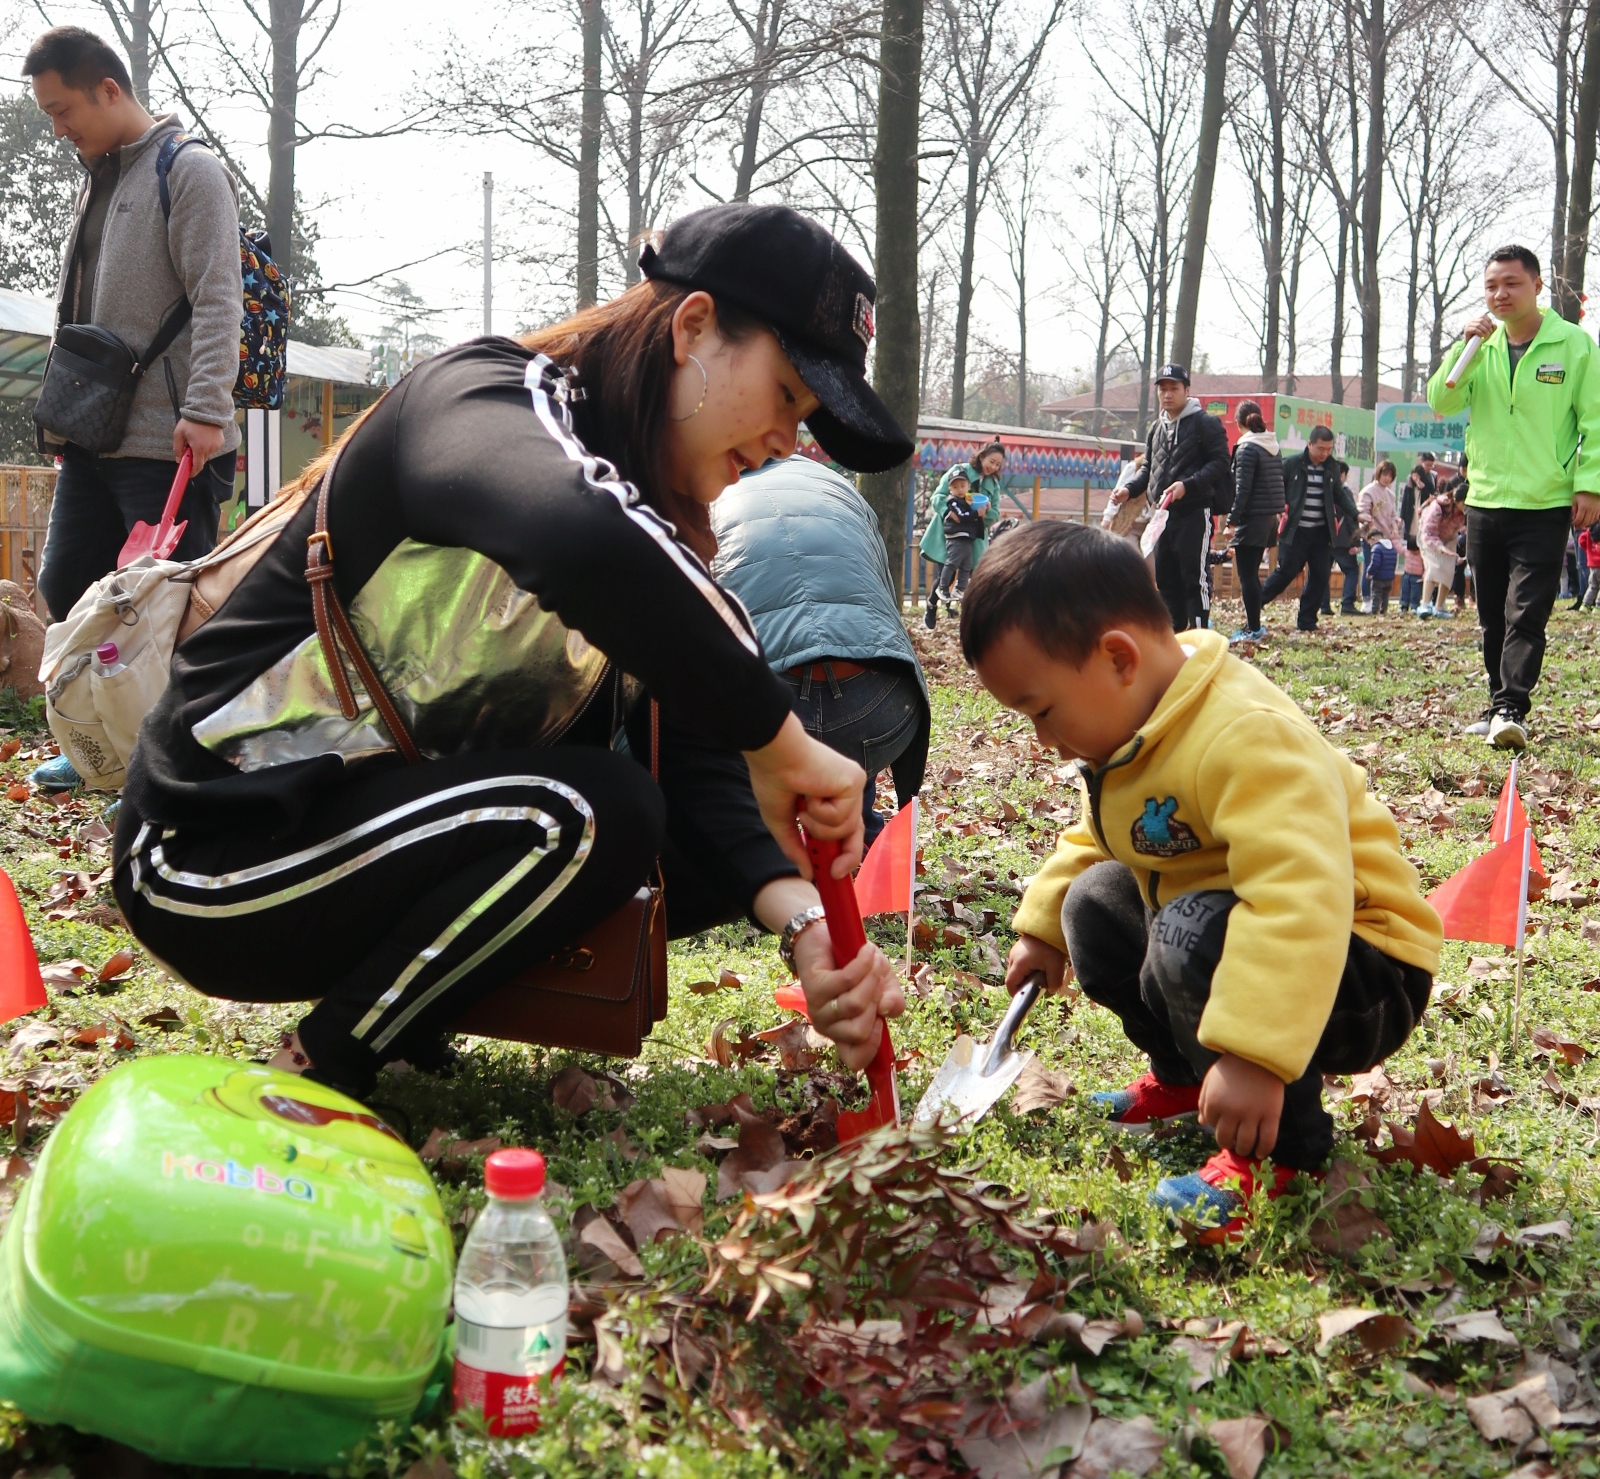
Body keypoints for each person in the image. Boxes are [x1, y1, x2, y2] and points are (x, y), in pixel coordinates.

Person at [110, 202, 911, 1101]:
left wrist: (810, 934)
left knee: (660, 825)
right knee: (591, 809)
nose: (784, 445)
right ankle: (321, 1067)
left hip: (371, 843)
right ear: (693, 327)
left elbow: (699, 765)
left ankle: (414, 1011)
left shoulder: (659, 538)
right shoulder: (480, 397)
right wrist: (786, 739)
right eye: (787, 398)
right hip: (208, 859)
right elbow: (578, 536)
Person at [959, 521, 1440, 1241]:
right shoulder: (1137, 726)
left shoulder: (1243, 733)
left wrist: (1252, 1055)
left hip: (1360, 962)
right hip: (1231, 930)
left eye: (1043, 711)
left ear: (1118, 656)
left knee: (1188, 931)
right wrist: (1040, 925)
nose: (1044, 741)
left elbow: (1297, 892)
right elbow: (1101, 834)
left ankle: (1282, 1153)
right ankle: (1184, 1079)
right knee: (1094, 902)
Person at [25, 30, 241, 619]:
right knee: (68, 589)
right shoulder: (96, 181)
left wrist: (206, 411)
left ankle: (175, 717)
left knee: (163, 616)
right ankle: (98, 715)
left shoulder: (190, 171)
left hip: (166, 446)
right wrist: (64, 417)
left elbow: (220, 299)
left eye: (61, 110)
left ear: (108, 89)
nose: (57, 129)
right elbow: (78, 312)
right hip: (91, 439)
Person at [1427, 244, 1600, 751]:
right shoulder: (1481, 347)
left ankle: (1510, 707)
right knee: (1491, 615)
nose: (1500, 294)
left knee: (1527, 611)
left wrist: (1589, 484)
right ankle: (1497, 701)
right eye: (1491, 286)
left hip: (1545, 501)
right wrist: (1463, 345)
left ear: (1537, 286)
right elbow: (1442, 399)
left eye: (1512, 283)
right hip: (1484, 502)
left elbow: (1594, 421)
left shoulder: (1574, 346)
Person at [710, 455, 930, 850]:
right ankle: (862, 835)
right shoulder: (836, 485)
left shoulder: (707, 492)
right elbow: (883, 606)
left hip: (765, 704)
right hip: (884, 708)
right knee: (851, 751)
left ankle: (763, 861)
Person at [1115, 363, 1231, 631]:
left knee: (1195, 577)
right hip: (1161, 515)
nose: (1167, 394)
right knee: (1166, 578)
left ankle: (1201, 633)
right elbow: (1148, 470)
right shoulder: (1157, 428)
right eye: (1163, 389)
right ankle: (1174, 634)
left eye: (1174, 388)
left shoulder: (1205, 423)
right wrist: (1128, 490)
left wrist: (1187, 486)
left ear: (1187, 390)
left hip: (1194, 510)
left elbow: (1221, 461)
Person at [1257, 426, 1357, 632]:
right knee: (1286, 572)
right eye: (1320, 448)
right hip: (1296, 530)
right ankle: (1254, 605)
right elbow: (1275, 488)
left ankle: (1307, 621)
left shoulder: (1332, 468)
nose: (1324, 453)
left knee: (1320, 575)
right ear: (1309, 444)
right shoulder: (1292, 464)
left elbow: (1340, 495)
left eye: (1329, 449)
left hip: (1321, 532)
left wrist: (1357, 514)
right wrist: (1278, 508)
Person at [1223, 399, 1284, 643]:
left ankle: (1254, 629)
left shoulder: (1247, 448)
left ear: (1238, 424)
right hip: (1269, 518)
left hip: (1252, 518)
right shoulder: (1272, 446)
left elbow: (1242, 489)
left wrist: (1231, 521)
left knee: (1247, 576)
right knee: (1253, 575)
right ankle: (1254, 625)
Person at [1357, 461, 1404, 614]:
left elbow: (1392, 516)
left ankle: (1381, 602)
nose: (1387, 478)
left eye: (1390, 476)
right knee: (1370, 567)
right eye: (1384, 474)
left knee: (1383, 570)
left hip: (1386, 539)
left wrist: (1395, 526)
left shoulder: (1390, 494)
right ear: (1378, 474)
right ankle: (1367, 600)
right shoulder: (1368, 491)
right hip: (1371, 538)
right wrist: (1371, 532)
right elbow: (1362, 513)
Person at [1417, 481, 1468, 618]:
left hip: (1450, 538)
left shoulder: (1466, 513)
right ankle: (1425, 604)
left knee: (1449, 569)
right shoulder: (1438, 506)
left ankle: (1439, 607)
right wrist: (1441, 548)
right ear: (1457, 500)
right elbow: (1428, 532)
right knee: (1435, 567)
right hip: (1429, 537)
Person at [1326, 460, 1364, 616]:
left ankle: (1323, 605)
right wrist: (1356, 540)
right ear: (1342, 474)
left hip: (1324, 538)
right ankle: (1347, 604)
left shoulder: (1324, 489)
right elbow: (1351, 517)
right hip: (1341, 539)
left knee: (1322, 572)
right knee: (1351, 571)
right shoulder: (1344, 492)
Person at [1578, 526, 1600, 609]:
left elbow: (1581, 540)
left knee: (1592, 586)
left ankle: (1585, 605)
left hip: (1592, 565)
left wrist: (1588, 550)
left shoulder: (1589, 531)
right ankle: (1598, 607)